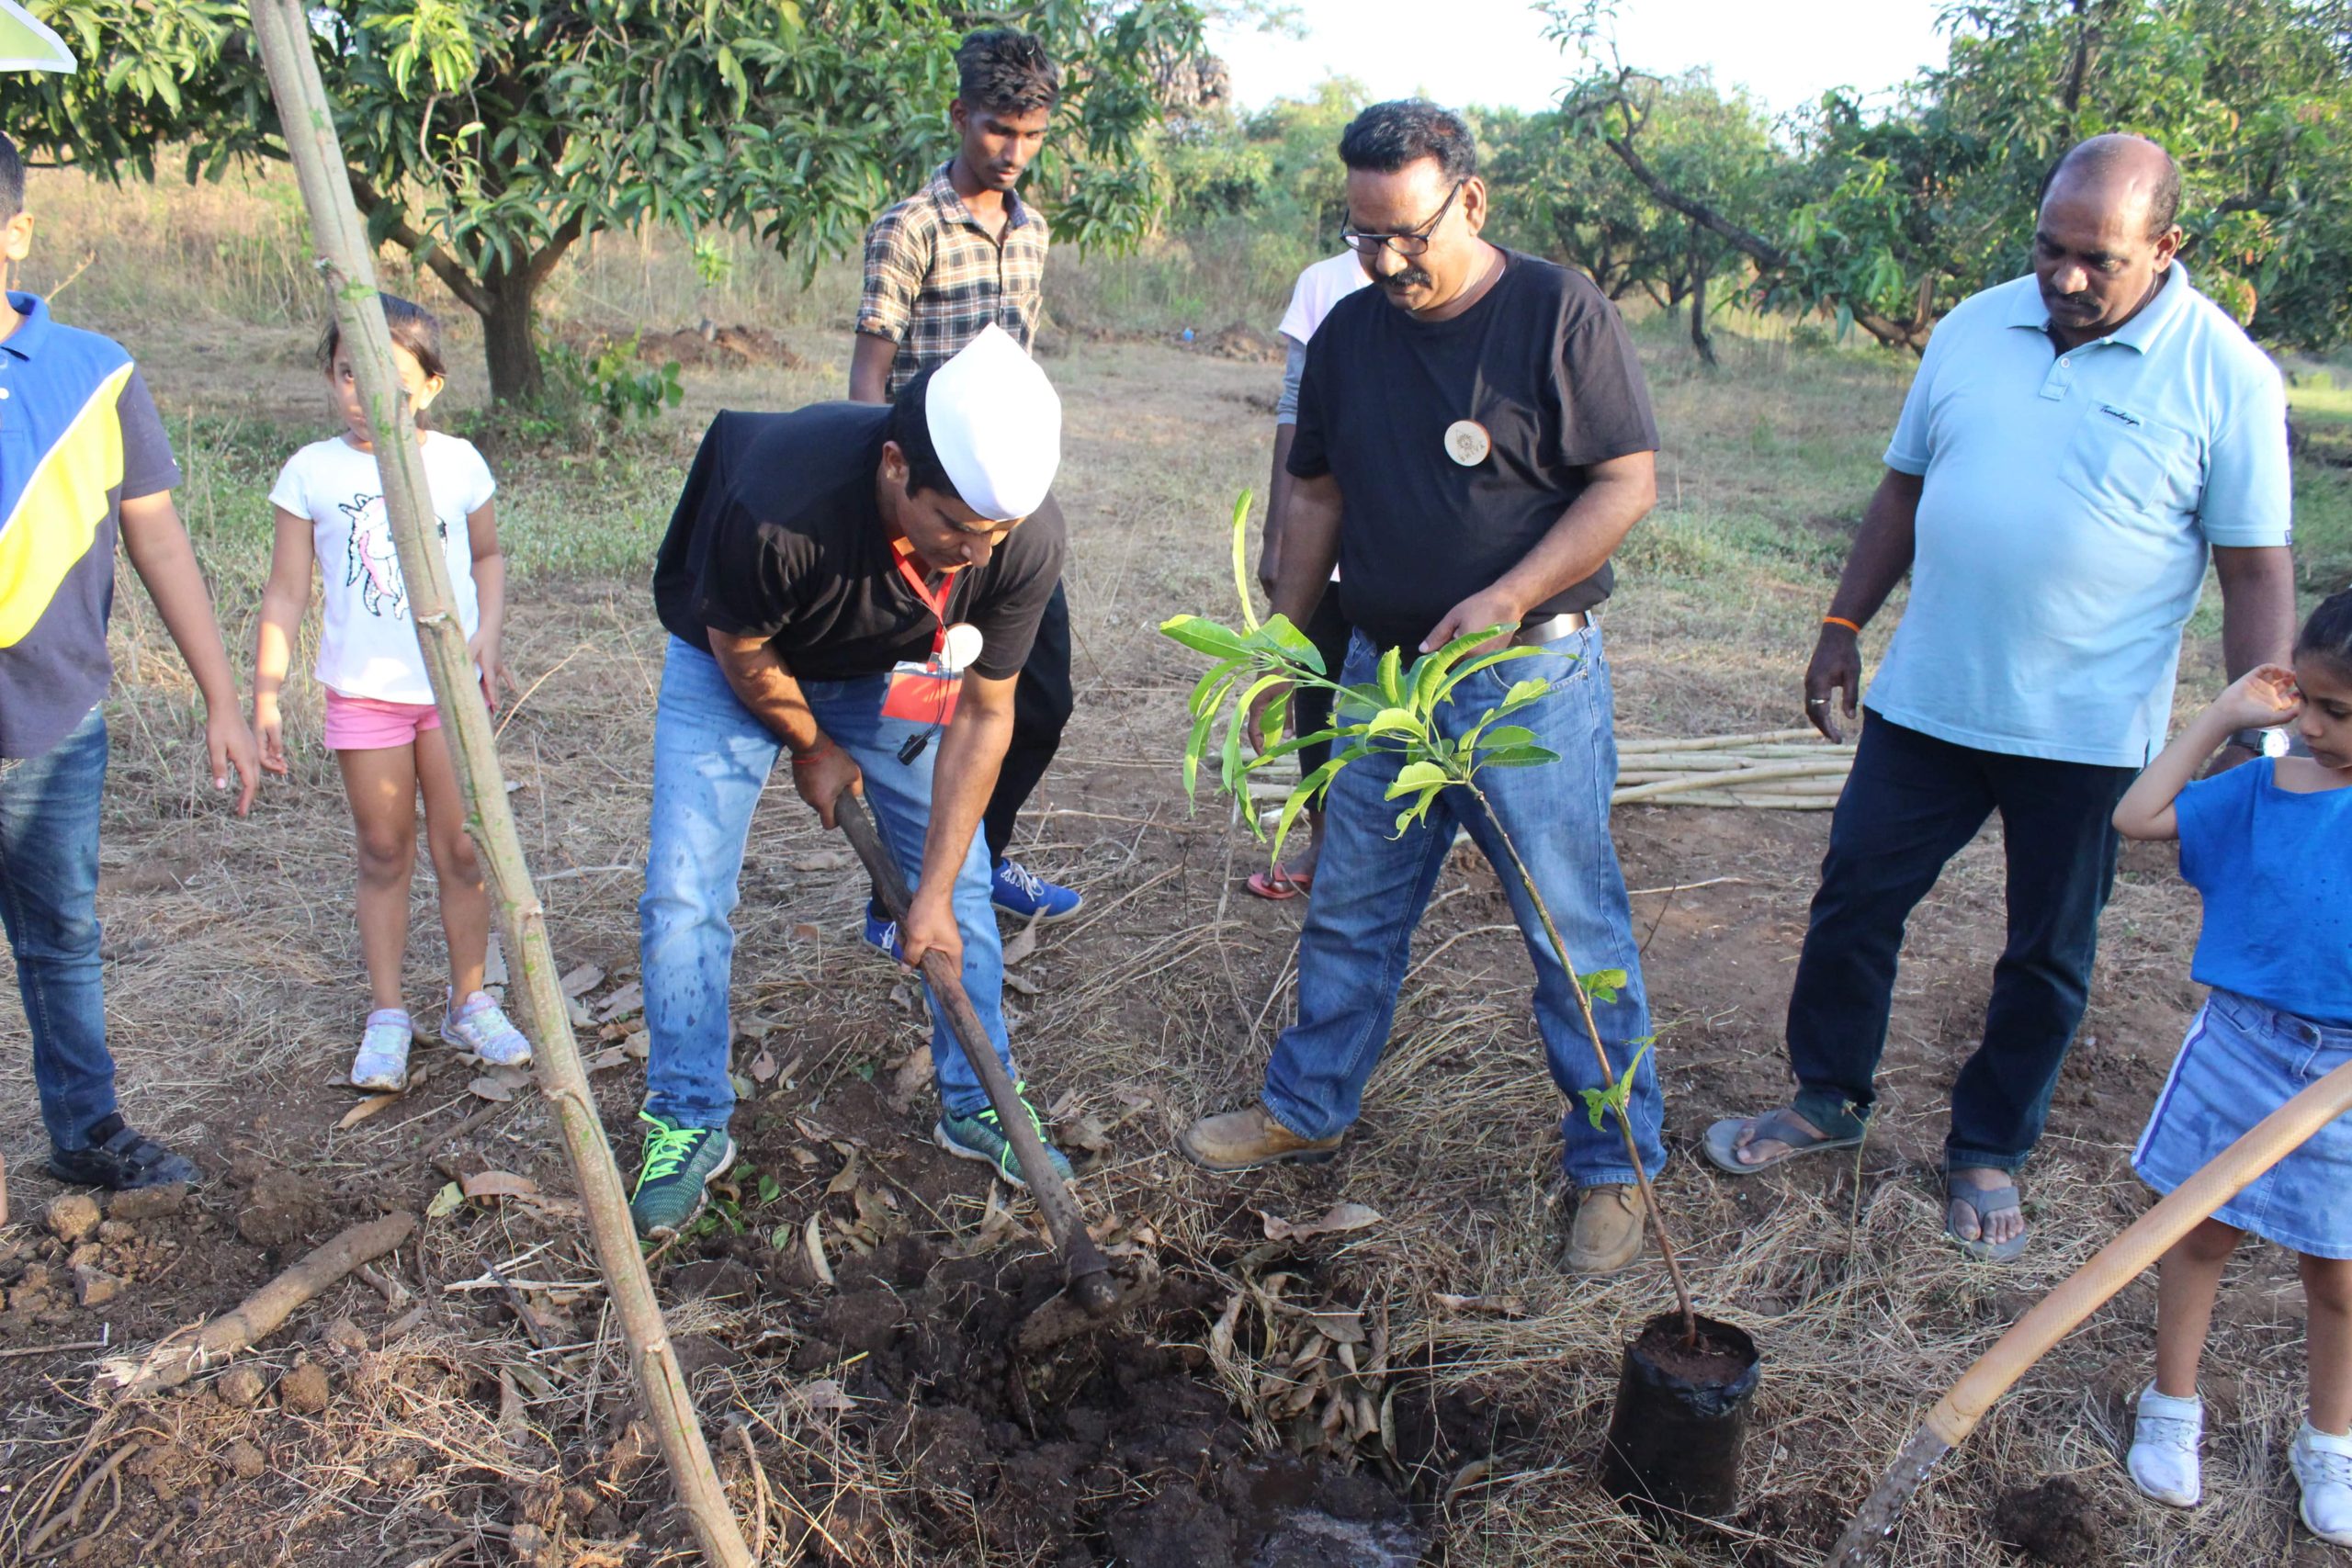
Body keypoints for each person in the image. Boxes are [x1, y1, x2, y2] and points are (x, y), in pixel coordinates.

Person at [1704, 134, 2299, 1262]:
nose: (2066, 280)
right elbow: (1902, 485)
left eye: (2098, 260)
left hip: (2084, 734)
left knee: (2047, 952)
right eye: (2048, 250)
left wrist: (2251, 731)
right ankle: (1826, 1099)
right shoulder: (1976, 324)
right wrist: (1841, 625)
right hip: (1927, 702)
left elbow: (2255, 570)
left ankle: (1987, 1148)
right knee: (1854, 903)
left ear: (2165, 249)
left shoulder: (2225, 375)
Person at [1178, 101, 1670, 1277]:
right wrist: (1279, 654)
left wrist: (1506, 595)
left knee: (1570, 925)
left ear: (1471, 199)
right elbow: (1317, 500)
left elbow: (1626, 483)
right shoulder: (1348, 334)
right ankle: (1308, 1107)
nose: (1387, 261)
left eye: (1407, 232)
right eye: (1364, 237)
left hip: (1523, 675)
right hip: (1378, 673)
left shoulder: (1557, 313)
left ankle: (1615, 1164)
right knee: (1350, 903)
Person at [629, 325, 1074, 1238]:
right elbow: (738, 646)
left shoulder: (1018, 545)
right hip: (736, 663)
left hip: (892, 674)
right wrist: (808, 744)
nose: (973, 554)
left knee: (969, 887)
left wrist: (935, 895)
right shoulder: (780, 508)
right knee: (684, 893)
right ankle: (685, 1115)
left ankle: (978, 1102)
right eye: (952, 525)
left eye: (992, 534)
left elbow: (987, 718)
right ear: (892, 466)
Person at [0, 131, 259, 1189]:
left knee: (61, 931)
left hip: (52, 720)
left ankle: (88, 1130)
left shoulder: (93, 375)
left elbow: (156, 539)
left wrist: (224, 699)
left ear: (16, 233)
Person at [2109, 592, 2352, 1543]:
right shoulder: (2258, 789)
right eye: (2309, 702)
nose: (2316, 726)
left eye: (2340, 713)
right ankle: (2171, 1409)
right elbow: (2136, 814)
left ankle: (2328, 1440)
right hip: (2243, 1046)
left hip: (2344, 1076)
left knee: (2336, 1272)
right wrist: (2220, 718)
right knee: (2200, 1235)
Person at [252, 294, 528, 1093]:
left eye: (392, 382)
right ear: (331, 375)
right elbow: (284, 592)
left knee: (462, 847)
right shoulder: (312, 472)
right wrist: (267, 692)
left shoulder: (458, 463)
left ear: (431, 388)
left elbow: (487, 558)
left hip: (449, 689)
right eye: (347, 373)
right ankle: (386, 1014)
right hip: (367, 696)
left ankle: (469, 998)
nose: (365, 395)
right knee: (383, 849)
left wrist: (489, 633)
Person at [848, 27, 1080, 936]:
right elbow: (870, 374)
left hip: (1010, 505)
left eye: (1030, 133)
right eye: (996, 130)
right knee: (921, 707)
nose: (1012, 151)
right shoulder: (908, 228)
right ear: (958, 117)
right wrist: (888, 508)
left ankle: (980, 857)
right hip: (928, 510)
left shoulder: (1033, 232)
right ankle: (892, 895)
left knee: (1041, 697)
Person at [1249, 247, 1371, 900]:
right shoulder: (1325, 283)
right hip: (1326, 534)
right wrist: (1278, 533)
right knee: (1316, 687)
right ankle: (1324, 838)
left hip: (1399, 543)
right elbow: (1293, 409)